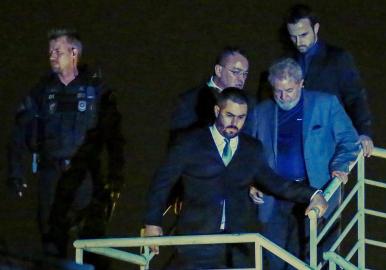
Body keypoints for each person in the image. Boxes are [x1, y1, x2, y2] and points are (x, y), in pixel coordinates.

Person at [144, 88, 328, 270]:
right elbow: (162, 183)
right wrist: (152, 222)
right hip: (197, 240)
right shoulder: (190, 142)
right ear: (217, 111)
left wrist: (313, 195)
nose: (235, 123)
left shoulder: (251, 148)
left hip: (239, 244)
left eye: (241, 118)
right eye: (229, 115)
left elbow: (275, 183)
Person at [7, 29, 125, 269]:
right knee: (52, 245)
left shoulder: (96, 90)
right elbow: (19, 131)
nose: (51, 56)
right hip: (52, 174)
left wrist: (115, 176)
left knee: (93, 243)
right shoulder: (41, 91)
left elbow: (114, 136)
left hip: (86, 177)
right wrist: (15, 170)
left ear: (74, 54)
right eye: (50, 51)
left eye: (57, 51)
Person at [249, 58, 360, 269]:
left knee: (316, 256)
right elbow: (250, 152)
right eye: (277, 91)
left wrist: (340, 166)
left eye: (289, 90)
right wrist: (253, 181)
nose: (283, 96)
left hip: (316, 192)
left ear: (301, 83)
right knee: (274, 257)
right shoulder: (261, 112)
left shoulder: (326, 104)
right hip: (275, 195)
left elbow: (349, 140)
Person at [285, 4, 373, 157]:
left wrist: (364, 132)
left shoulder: (338, 58)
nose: (298, 42)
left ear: (316, 28)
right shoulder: (288, 61)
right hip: (294, 144)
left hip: (327, 144)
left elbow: (355, 96)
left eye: (304, 34)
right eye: (293, 36)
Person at [169, 46, 251, 142]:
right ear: (219, 70)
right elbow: (178, 141)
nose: (241, 79)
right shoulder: (189, 100)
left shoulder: (250, 103)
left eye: (244, 74)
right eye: (236, 72)